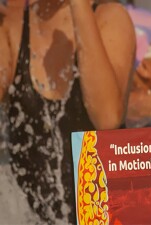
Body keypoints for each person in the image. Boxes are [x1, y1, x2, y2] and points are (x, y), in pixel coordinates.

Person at [0, 0, 135, 224]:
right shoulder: (13, 24)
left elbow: (108, 118)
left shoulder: (111, 18)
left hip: (103, 216)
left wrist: (79, 5)